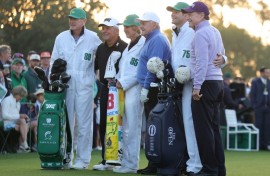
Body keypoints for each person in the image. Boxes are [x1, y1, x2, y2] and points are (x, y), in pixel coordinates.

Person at [167, 2, 228, 175]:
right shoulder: (215, 31)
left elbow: (201, 62)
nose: (188, 17)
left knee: (203, 130)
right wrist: (223, 59)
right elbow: (221, 55)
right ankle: (219, 169)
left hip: (205, 84)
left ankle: (208, 169)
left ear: (201, 15)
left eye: (191, 15)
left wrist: (197, 87)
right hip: (217, 83)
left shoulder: (200, 34)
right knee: (214, 129)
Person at [50, 7, 102, 169]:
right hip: (65, 86)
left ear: (84, 21)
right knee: (65, 123)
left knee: (84, 123)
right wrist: (54, 80)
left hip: (85, 86)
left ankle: (83, 160)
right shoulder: (61, 37)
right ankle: (66, 157)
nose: (72, 21)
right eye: (70, 18)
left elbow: (103, 57)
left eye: (76, 18)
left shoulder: (93, 38)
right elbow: (53, 62)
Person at [136, 12, 171, 175]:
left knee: (154, 128)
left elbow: (154, 66)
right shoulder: (150, 39)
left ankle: (155, 164)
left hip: (154, 87)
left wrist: (146, 87)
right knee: (152, 127)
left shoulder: (156, 39)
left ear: (155, 24)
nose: (140, 25)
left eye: (144, 22)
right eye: (140, 22)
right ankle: (153, 163)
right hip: (151, 86)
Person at [112, 14, 145, 174]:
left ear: (136, 28)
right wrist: (117, 79)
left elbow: (140, 71)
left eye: (127, 27)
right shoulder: (128, 46)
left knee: (133, 127)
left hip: (135, 89)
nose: (124, 30)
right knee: (125, 127)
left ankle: (132, 164)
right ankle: (126, 162)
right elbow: (124, 69)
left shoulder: (143, 44)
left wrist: (123, 82)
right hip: (123, 91)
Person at [93, 17, 127, 171]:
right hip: (106, 90)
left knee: (121, 124)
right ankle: (106, 159)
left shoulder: (125, 47)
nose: (104, 31)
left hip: (122, 91)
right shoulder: (100, 48)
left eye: (108, 28)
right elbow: (97, 71)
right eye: (103, 28)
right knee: (105, 123)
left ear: (116, 30)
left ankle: (121, 159)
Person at [1, 85, 30, 153]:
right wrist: (19, 116)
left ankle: (22, 146)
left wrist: (19, 116)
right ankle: (24, 144)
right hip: (5, 123)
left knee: (26, 125)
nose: (21, 98)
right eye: (20, 96)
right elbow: (4, 116)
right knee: (22, 121)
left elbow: (16, 117)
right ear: (16, 94)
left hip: (14, 123)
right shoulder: (6, 100)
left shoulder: (18, 103)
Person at [249, 67, 270, 150]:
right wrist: (254, 105)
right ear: (262, 73)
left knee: (267, 126)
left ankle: (266, 144)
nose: (268, 74)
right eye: (267, 72)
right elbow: (252, 94)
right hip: (259, 107)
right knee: (259, 125)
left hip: (268, 107)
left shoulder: (269, 82)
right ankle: (258, 144)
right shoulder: (255, 82)